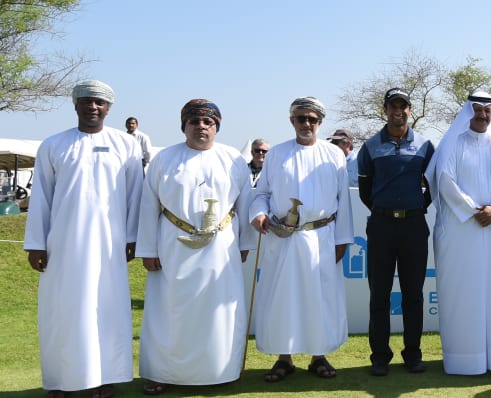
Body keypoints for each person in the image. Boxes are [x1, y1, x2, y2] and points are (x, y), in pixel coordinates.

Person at [24, 80, 143, 398]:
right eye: (87, 101)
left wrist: (132, 237)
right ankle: (60, 381)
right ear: (75, 105)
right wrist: (36, 242)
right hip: (62, 245)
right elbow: (41, 198)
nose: (93, 107)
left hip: (109, 245)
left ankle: (105, 378)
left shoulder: (126, 145)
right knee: (62, 311)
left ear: (109, 108)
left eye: (100, 103)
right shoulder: (54, 144)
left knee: (106, 309)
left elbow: (136, 196)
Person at [136, 99, 254, 395]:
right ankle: (163, 372)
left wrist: (245, 243)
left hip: (221, 247)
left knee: (218, 311)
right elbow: (149, 205)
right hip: (173, 246)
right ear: (184, 125)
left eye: (208, 122)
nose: (201, 127)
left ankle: (221, 370)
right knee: (170, 311)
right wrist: (148, 249)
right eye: (195, 121)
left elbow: (245, 204)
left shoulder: (233, 160)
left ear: (216, 126)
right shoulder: (164, 159)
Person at [249, 97, 354, 382]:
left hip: (321, 237)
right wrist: (258, 214)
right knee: (283, 299)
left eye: (312, 119)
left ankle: (318, 356)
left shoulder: (334, 155)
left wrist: (342, 239)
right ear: (291, 120)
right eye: (300, 118)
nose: (306, 124)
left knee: (318, 299)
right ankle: (284, 359)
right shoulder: (276, 154)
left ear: (321, 122)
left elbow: (343, 200)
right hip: (282, 237)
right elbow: (262, 194)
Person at [427, 91, 491, 375]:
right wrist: (472, 210)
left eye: (487, 111)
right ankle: (463, 359)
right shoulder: (453, 144)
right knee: (462, 292)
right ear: (469, 111)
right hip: (460, 231)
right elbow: (444, 180)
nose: (482, 115)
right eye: (477, 110)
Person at [357, 88, 435, 376]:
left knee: (413, 294)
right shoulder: (371, 146)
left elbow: (433, 186)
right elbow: (366, 189)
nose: (398, 111)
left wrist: (415, 207)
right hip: (381, 226)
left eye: (403, 106)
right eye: (393, 106)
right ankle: (380, 356)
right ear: (386, 110)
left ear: (410, 110)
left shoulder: (425, 145)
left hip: (414, 226)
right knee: (379, 293)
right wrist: (384, 208)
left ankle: (412, 354)